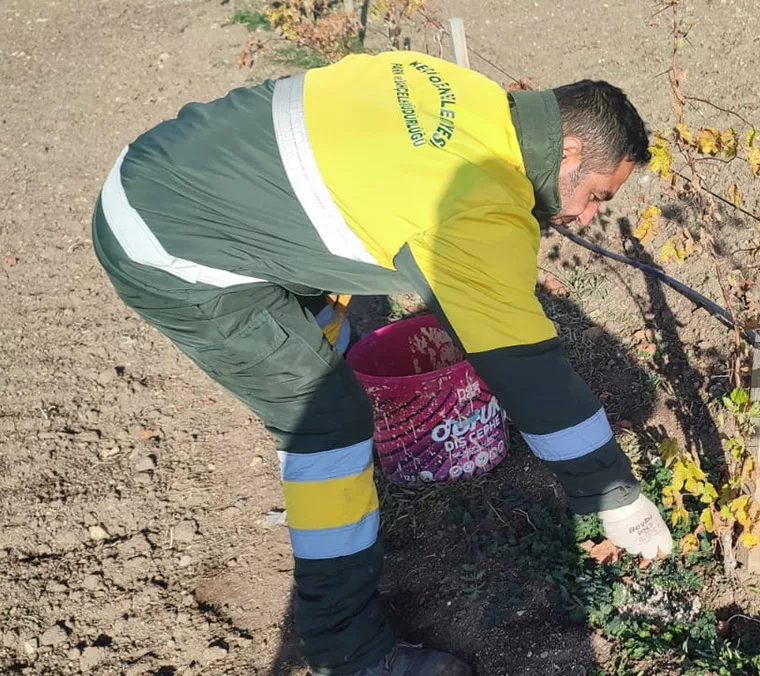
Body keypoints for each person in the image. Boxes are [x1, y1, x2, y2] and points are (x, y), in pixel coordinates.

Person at [90, 50, 674, 676]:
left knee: (328, 345)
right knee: (327, 422)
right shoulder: (484, 206)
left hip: (175, 170)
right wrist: (614, 494)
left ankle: (348, 510)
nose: (585, 218)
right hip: (172, 246)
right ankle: (348, 650)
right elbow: (529, 368)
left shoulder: (467, 95)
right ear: (570, 150)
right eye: (594, 196)